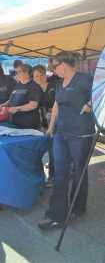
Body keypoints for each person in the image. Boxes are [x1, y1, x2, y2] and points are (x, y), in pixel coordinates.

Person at [38, 51, 95, 229]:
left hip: (81, 134)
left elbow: (101, 92)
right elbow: (56, 105)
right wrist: (51, 126)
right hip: (61, 134)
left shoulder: (85, 79)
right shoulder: (59, 83)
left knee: (79, 172)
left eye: (55, 66)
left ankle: (78, 208)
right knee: (60, 173)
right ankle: (56, 214)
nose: (53, 70)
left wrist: (90, 104)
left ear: (63, 65)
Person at [32, 65, 56, 187]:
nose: (39, 78)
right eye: (36, 76)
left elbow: (60, 102)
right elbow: (39, 106)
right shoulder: (35, 89)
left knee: (53, 152)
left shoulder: (54, 85)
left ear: (45, 74)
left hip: (59, 121)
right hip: (46, 123)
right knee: (50, 149)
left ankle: (52, 177)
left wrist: (53, 113)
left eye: (40, 75)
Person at [0, 63, 41, 129]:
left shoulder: (33, 86)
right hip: (14, 123)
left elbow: (33, 105)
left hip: (28, 125)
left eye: (18, 72)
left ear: (26, 73)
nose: (16, 74)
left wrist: (17, 108)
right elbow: (11, 99)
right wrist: (4, 104)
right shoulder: (17, 85)